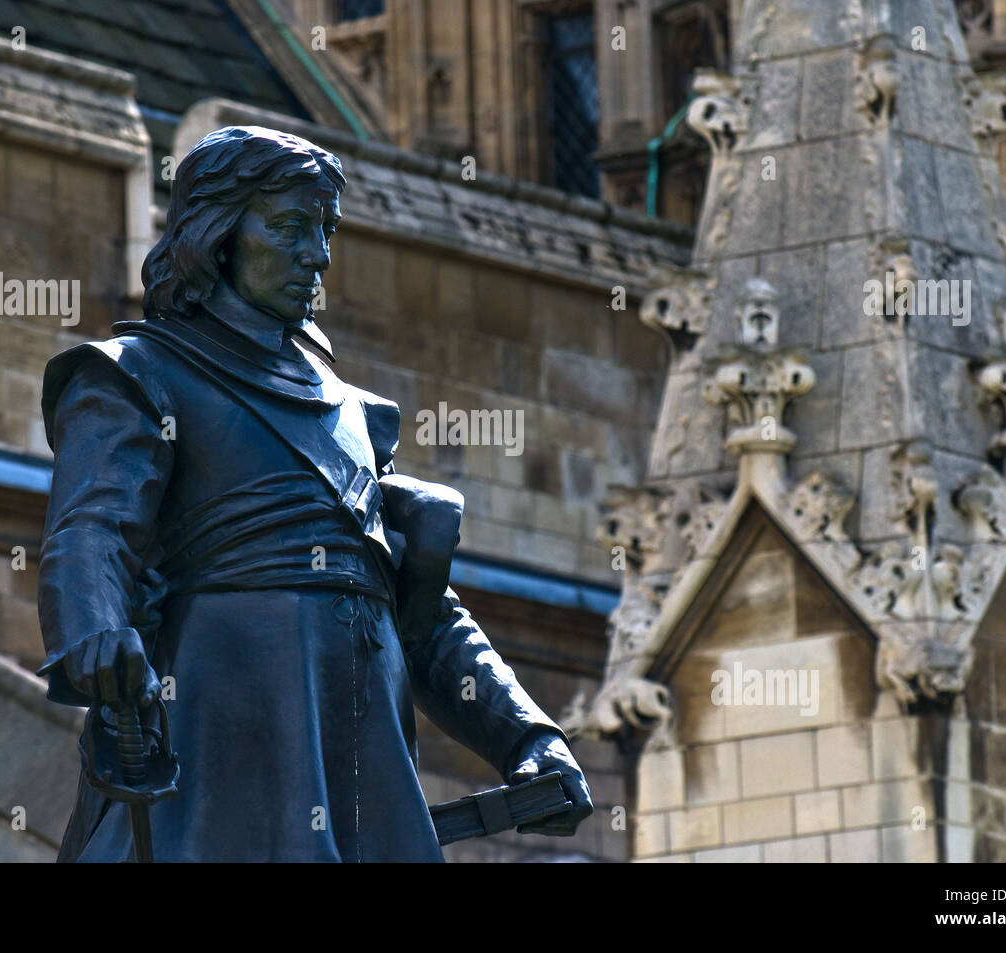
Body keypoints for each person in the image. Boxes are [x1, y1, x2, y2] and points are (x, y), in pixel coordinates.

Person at [37, 125, 593, 861]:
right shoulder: (139, 372)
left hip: (361, 746)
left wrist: (526, 735)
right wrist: (95, 634)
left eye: (325, 229)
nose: (317, 255)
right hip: (227, 717)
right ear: (220, 231)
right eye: (292, 227)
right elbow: (91, 531)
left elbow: (420, 611)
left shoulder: (354, 414)